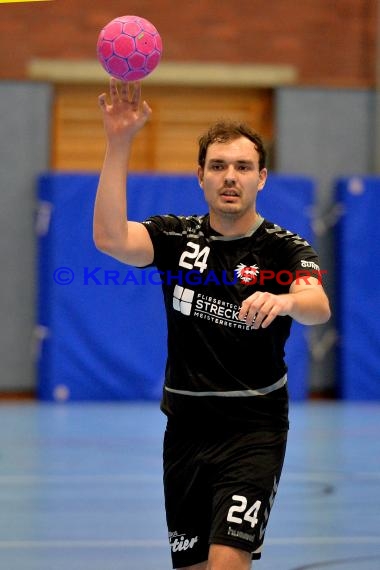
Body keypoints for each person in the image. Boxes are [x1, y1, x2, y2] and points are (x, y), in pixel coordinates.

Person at [93, 79, 331, 570]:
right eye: (218, 166)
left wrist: (285, 300)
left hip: (254, 428)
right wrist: (119, 142)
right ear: (199, 175)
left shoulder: (283, 249)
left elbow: (318, 304)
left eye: (243, 167)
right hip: (186, 427)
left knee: (227, 562)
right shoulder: (177, 238)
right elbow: (110, 238)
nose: (230, 177)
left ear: (262, 177)